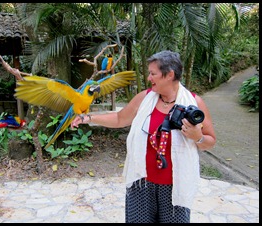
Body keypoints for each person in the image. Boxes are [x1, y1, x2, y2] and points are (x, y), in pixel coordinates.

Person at [71, 50, 216, 223]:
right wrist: (87, 118)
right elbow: (120, 118)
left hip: (175, 187)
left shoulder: (194, 103)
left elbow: (210, 140)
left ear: (169, 75)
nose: (149, 78)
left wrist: (197, 136)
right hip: (141, 183)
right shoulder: (145, 98)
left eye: (153, 74)